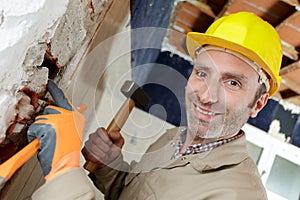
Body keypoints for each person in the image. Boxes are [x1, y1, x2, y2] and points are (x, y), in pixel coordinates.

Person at [29, 11, 282, 199]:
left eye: (232, 83)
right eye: (203, 73)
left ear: (258, 103)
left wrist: (63, 169)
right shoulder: (173, 138)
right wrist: (110, 168)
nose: (206, 96)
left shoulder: (238, 195)